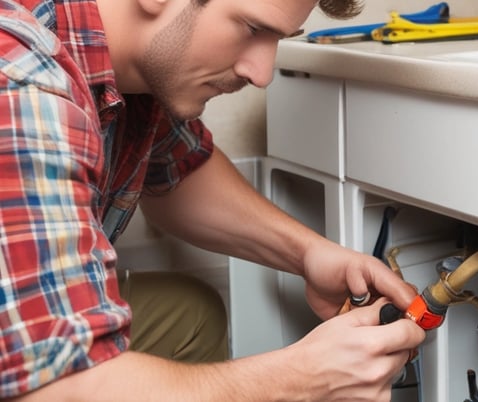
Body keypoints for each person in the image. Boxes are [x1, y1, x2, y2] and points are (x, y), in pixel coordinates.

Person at [0, 0, 426, 400]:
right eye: (252, 28)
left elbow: (180, 170)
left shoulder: (129, 69)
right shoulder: (22, 88)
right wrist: (304, 378)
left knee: (189, 315)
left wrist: (310, 253)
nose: (262, 72)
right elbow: (58, 390)